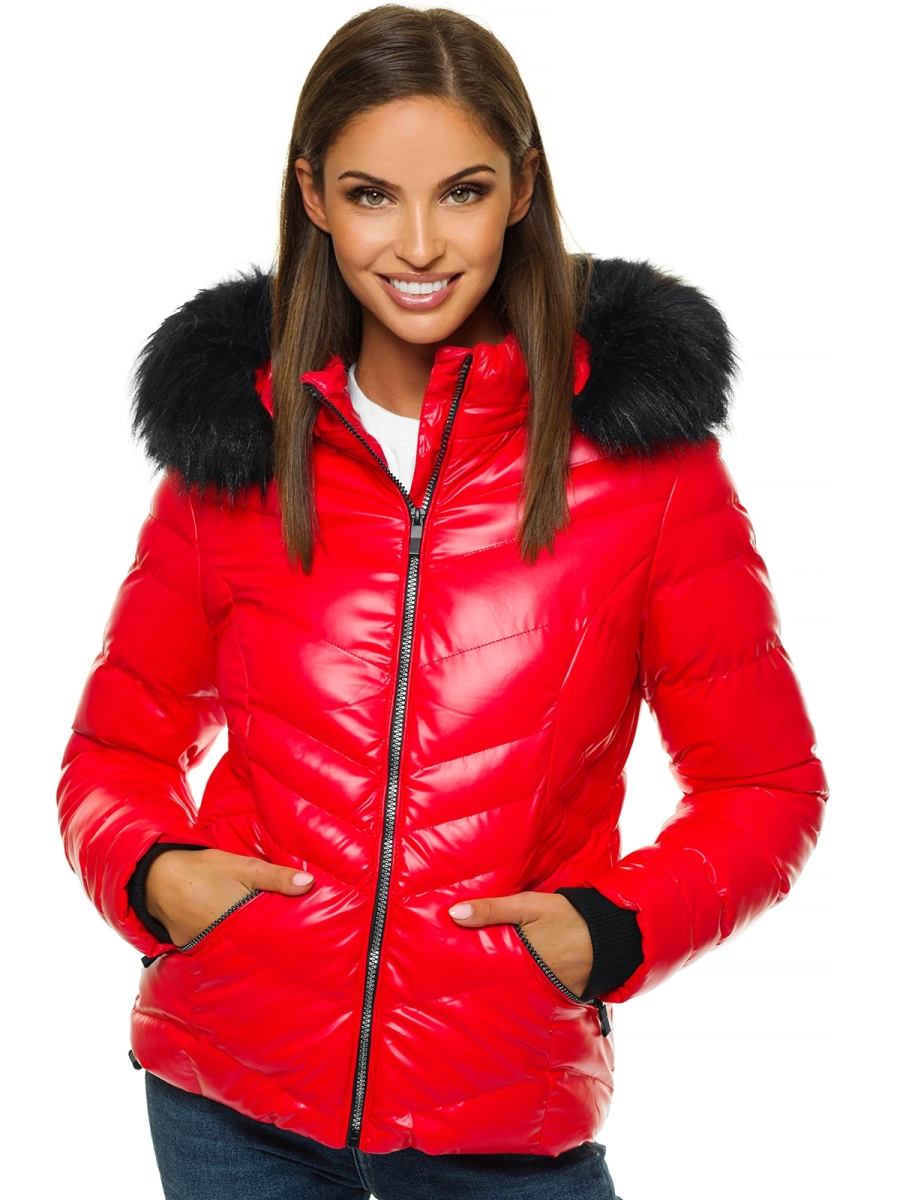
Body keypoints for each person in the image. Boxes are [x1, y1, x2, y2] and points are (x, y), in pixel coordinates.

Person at [56, 6, 828, 1198]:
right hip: (225, 1099)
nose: (418, 245)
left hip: (504, 1111)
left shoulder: (646, 466)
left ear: (522, 188)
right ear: (313, 197)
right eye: (372, 195)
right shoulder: (240, 448)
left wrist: (608, 931)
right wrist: (160, 877)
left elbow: (766, 788)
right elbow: (114, 752)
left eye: (461, 192)